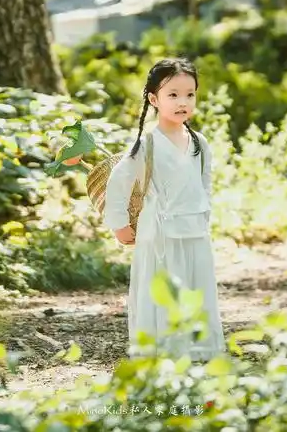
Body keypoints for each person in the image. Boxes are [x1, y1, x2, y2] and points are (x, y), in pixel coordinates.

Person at [102, 57, 226, 361]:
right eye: (173, 94)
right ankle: (162, 353)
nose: (183, 102)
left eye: (190, 94)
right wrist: (120, 224)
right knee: (162, 291)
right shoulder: (147, 144)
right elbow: (119, 181)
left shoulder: (199, 143)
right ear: (154, 99)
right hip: (159, 233)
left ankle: (197, 352)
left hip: (194, 231)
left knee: (195, 288)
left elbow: (205, 183)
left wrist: (204, 214)